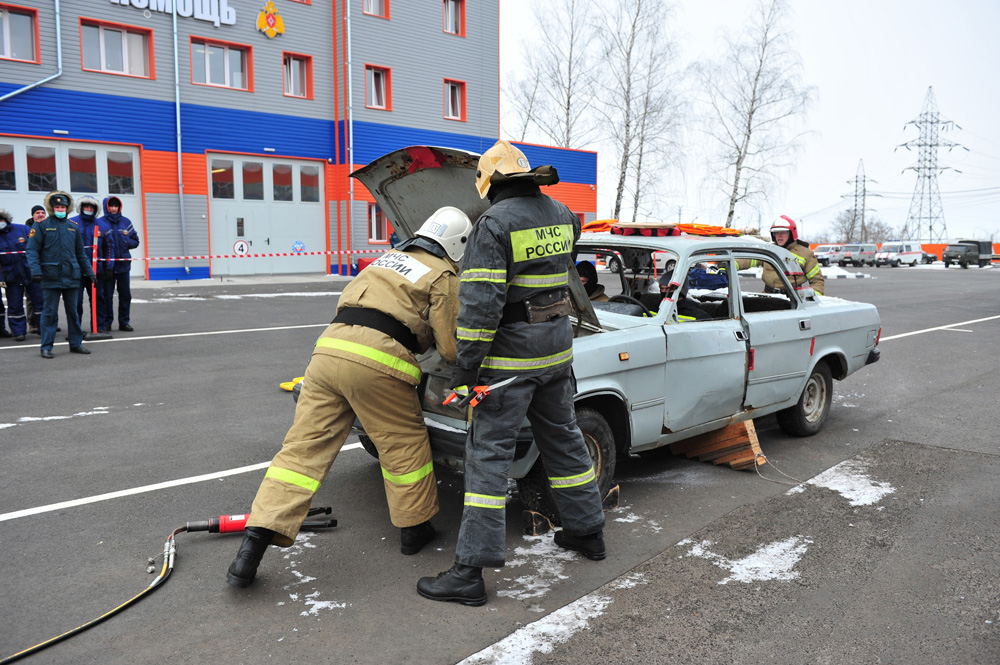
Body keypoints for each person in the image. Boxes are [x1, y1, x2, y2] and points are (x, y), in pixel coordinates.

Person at [227, 206, 473, 589]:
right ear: (458, 245)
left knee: (301, 452)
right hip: (377, 362)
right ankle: (415, 530)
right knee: (403, 445)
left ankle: (253, 543)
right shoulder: (443, 274)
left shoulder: (385, 260)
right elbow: (451, 348)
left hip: (326, 354)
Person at [417, 140, 607, 607]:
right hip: (555, 354)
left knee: (487, 456)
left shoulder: (494, 224)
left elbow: (481, 304)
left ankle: (469, 572)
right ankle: (588, 533)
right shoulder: (562, 213)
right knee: (564, 440)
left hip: (509, 366)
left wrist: (466, 366)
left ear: (490, 184)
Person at [25, 191, 95, 358]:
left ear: (67, 208)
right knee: (49, 313)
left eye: (62, 207)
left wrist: (90, 273)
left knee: (73, 312)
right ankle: (46, 347)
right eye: (57, 207)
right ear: (51, 208)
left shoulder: (73, 227)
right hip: (50, 276)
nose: (60, 209)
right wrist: (35, 271)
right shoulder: (41, 226)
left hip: (71, 276)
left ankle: (76, 343)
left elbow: (80, 254)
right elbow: (32, 250)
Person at [737, 216, 824, 296]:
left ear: (791, 233)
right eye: (776, 233)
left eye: (783, 232)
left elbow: (817, 281)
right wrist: (728, 265)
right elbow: (748, 260)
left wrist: (814, 300)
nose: (779, 236)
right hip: (768, 296)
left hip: (792, 300)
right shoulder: (769, 249)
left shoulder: (805, 253)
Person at [0, 209, 44, 342]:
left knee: (41, 301)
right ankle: (18, 331)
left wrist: (39, 270)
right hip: (11, 277)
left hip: (31, 273)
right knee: (15, 305)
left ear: (6, 219)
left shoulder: (23, 230)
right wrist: (1, 279)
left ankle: (45, 328)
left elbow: (37, 248)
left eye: (1, 220)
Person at [97, 196, 140, 332]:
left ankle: (124, 322)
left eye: (116, 206)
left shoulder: (126, 222)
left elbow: (135, 241)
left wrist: (126, 242)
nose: (114, 209)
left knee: (125, 294)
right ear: (106, 207)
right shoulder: (100, 223)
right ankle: (107, 322)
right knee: (107, 295)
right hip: (108, 267)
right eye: (111, 206)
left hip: (124, 266)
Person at [71, 196, 110, 333]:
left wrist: (108, 268)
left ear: (95, 209)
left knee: (98, 300)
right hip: (76, 271)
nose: (88, 209)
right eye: (86, 206)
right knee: (76, 302)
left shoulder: (102, 226)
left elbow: (108, 248)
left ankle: (98, 327)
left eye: (91, 207)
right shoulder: (72, 223)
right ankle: (75, 330)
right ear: (81, 207)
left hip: (96, 271)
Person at [24, 204, 47, 333]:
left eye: (42, 212)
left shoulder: (48, 227)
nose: (40, 215)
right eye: (37, 213)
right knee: (31, 297)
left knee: (45, 296)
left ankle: (45, 322)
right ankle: (32, 323)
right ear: (33, 215)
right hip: (30, 267)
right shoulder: (27, 229)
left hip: (46, 267)